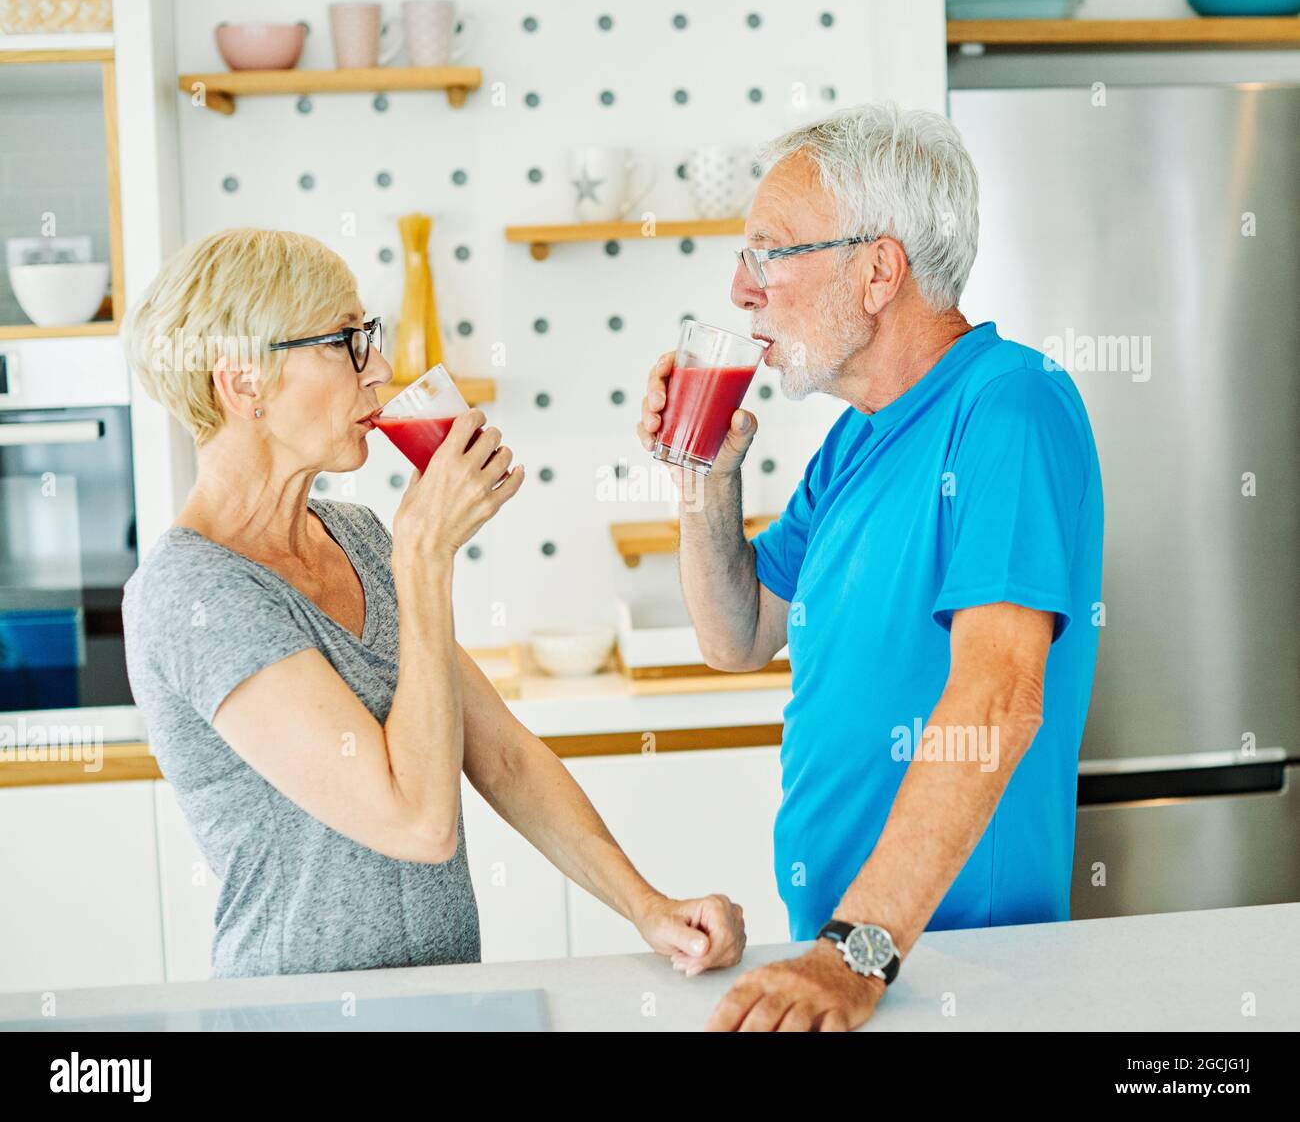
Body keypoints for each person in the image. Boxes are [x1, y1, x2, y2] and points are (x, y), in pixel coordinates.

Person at [121, 227, 745, 979]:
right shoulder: (192, 590)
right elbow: (416, 820)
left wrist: (645, 904)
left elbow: (506, 756)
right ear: (243, 382)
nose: (379, 366)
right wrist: (425, 556)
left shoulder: (353, 535)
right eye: (344, 340)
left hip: (443, 997)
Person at [636, 102, 1103, 1031]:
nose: (740, 287)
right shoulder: (854, 442)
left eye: (769, 251)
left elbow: (999, 696)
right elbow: (737, 635)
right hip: (848, 954)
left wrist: (861, 951)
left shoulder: (1010, 406)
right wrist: (705, 477)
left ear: (879, 269)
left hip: (963, 965)